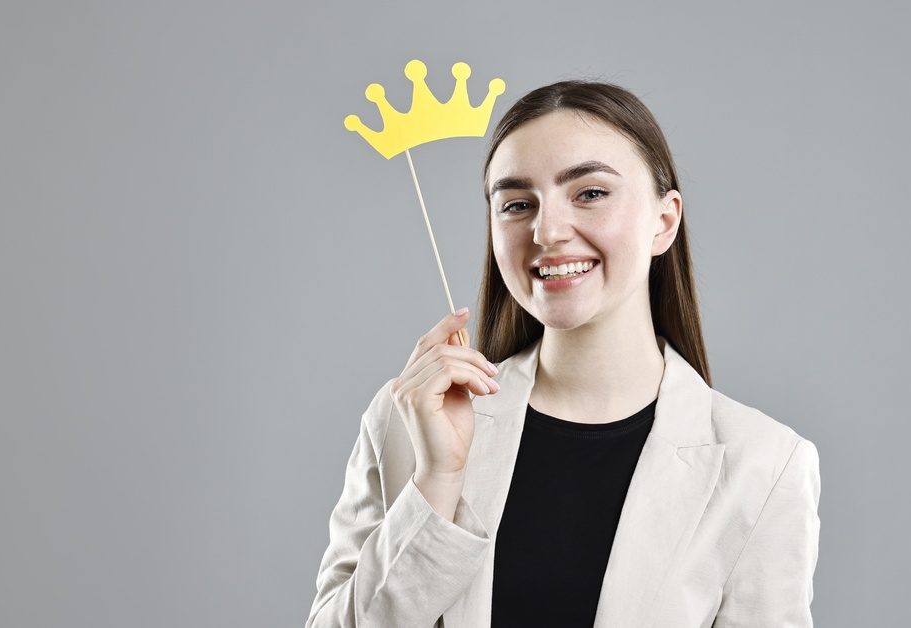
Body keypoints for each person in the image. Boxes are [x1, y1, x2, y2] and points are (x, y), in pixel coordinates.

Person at [305, 80, 821, 628]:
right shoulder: (405, 422)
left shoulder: (764, 465)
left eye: (591, 193)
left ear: (664, 221)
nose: (547, 230)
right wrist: (435, 483)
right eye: (517, 204)